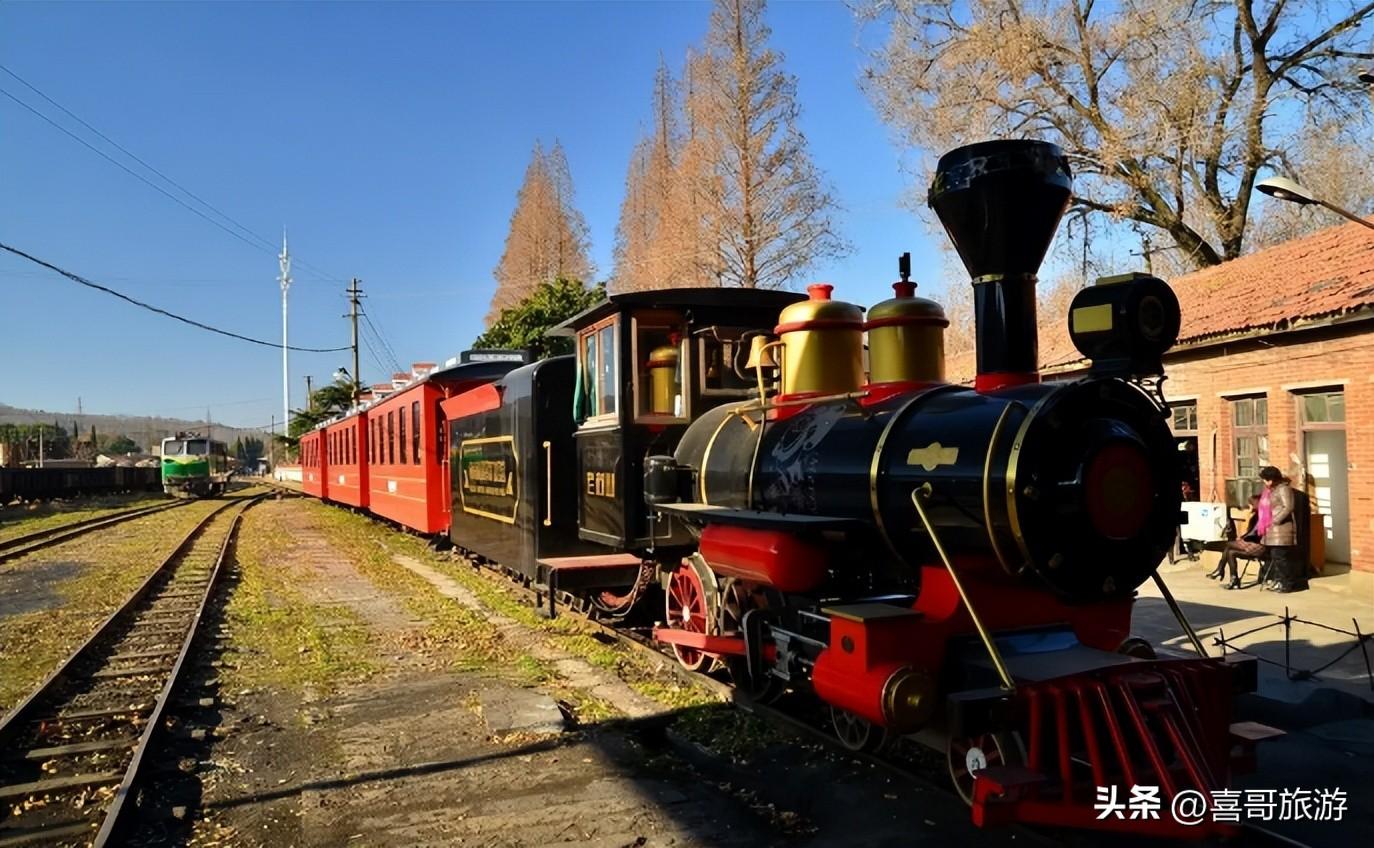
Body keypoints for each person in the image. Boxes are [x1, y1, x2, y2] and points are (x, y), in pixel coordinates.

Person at [1256, 466, 1304, 593]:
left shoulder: (1283, 489)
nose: (1264, 482)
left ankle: (1287, 584)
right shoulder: (1271, 491)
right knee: (1275, 557)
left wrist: (1275, 520)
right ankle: (1279, 581)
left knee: (1281, 558)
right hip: (1272, 531)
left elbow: (1288, 507)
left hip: (1281, 530)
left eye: (1265, 479)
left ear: (1271, 479)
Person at [1210, 494, 1264, 589]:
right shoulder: (1256, 515)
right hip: (1252, 543)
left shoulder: (1261, 516)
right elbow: (1251, 532)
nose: (1250, 507)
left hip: (1259, 545)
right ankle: (1233, 579)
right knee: (1230, 552)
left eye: (1251, 504)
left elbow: (1255, 533)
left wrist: (1243, 538)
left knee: (1228, 545)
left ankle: (1220, 569)